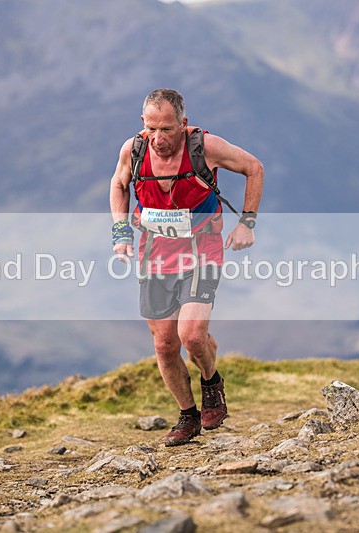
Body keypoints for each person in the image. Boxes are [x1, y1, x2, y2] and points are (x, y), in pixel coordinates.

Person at [109, 89, 264, 446]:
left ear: (183, 123)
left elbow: (254, 168)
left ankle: (211, 381)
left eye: (167, 129)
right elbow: (119, 184)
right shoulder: (132, 150)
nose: (159, 139)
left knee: (191, 336)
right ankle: (188, 415)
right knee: (164, 345)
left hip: (202, 249)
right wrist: (120, 232)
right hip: (155, 252)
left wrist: (248, 223)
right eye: (152, 129)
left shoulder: (205, 147)